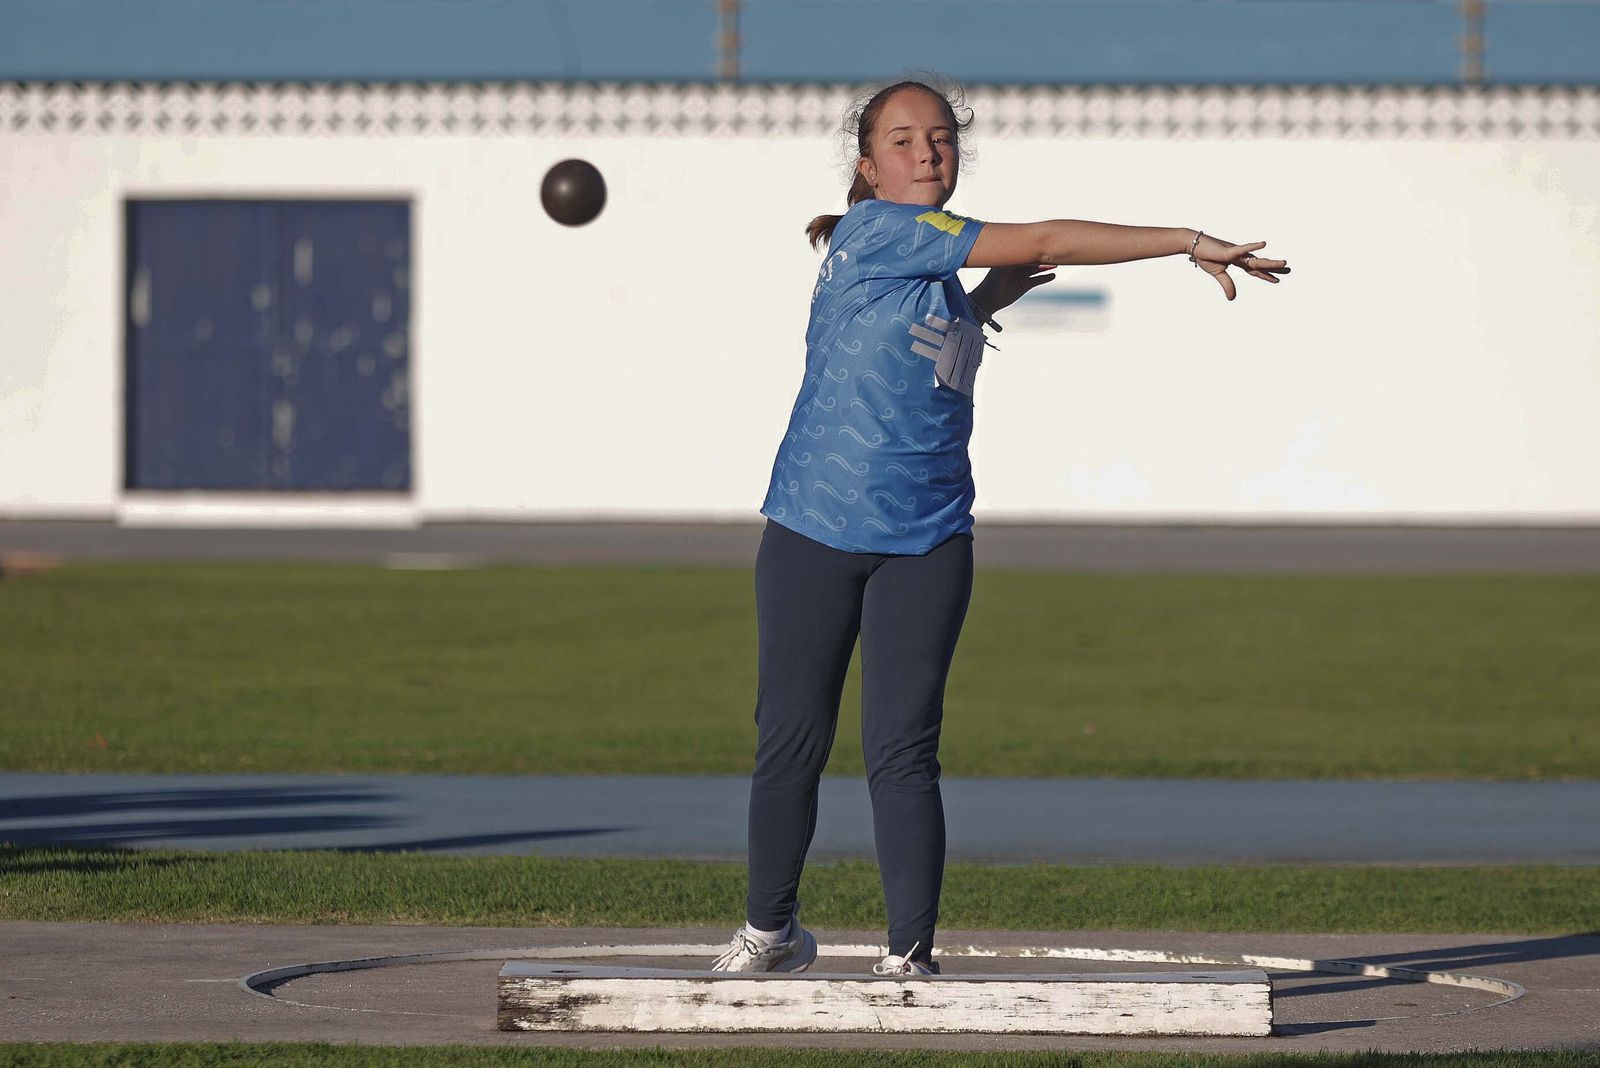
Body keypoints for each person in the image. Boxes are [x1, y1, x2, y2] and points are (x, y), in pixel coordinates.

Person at [710, 75, 1290, 978]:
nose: (926, 152)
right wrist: (1185, 240)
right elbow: (1051, 236)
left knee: (904, 751)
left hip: (931, 535)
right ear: (866, 166)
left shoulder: (934, 273)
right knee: (793, 739)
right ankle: (769, 935)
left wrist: (987, 302)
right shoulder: (881, 231)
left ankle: (909, 957)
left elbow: (922, 348)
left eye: (939, 137)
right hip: (815, 529)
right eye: (902, 141)